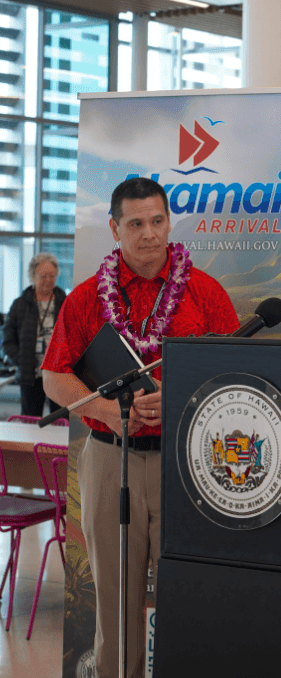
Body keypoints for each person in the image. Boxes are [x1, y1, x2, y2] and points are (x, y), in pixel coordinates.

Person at [42, 177, 240, 678]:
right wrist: (109, 411)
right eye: (136, 223)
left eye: (157, 221)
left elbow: (237, 373)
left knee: (189, 591)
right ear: (114, 228)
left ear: (169, 222)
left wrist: (185, 402)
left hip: (187, 461)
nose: (149, 234)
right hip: (111, 456)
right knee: (115, 593)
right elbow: (53, 375)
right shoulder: (87, 298)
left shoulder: (205, 292)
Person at [3, 252, 65, 416]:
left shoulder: (65, 302)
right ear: (32, 276)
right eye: (43, 275)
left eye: (52, 275)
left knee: (60, 421)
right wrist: (20, 359)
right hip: (30, 374)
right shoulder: (20, 304)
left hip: (59, 374)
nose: (48, 280)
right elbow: (7, 339)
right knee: (29, 422)